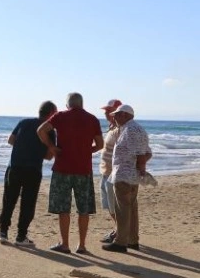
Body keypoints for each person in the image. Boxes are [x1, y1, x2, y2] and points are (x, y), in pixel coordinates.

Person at [37, 93, 103, 254]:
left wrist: (52, 147)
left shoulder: (60, 116)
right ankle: (81, 245)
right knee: (84, 209)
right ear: (82, 103)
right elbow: (100, 144)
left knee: (63, 208)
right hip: (83, 169)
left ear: (67, 105)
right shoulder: (92, 119)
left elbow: (40, 130)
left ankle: (65, 244)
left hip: (62, 169)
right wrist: (87, 151)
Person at [0, 101, 58, 246]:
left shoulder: (24, 122)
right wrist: (36, 151)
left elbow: (11, 140)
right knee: (28, 203)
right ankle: (21, 236)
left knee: (9, 200)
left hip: (15, 166)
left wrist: (23, 147)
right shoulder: (50, 130)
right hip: (33, 169)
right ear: (51, 114)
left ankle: (3, 232)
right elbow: (50, 155)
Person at [103, 105, 152, 253]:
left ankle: (121, 242)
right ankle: (132, 240)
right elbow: (147, 153)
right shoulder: (136, 129)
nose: (114, 118)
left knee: (123, 209)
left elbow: (141, 154)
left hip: (125, 175)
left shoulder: (131, 130)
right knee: (130, 208)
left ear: (124, 115)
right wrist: (139, 168)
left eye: (116, 115)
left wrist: (140, 167)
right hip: (130, 174)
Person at [98, 99, 123, 244]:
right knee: (109, 204)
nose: (107, 114)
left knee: (114, 204)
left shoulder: (121, 129)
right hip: (105, 170)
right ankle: (117, 230)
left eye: (110, 111)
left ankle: (119, 232)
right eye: (106, 111)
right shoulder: (112, 127)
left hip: (113, 173)